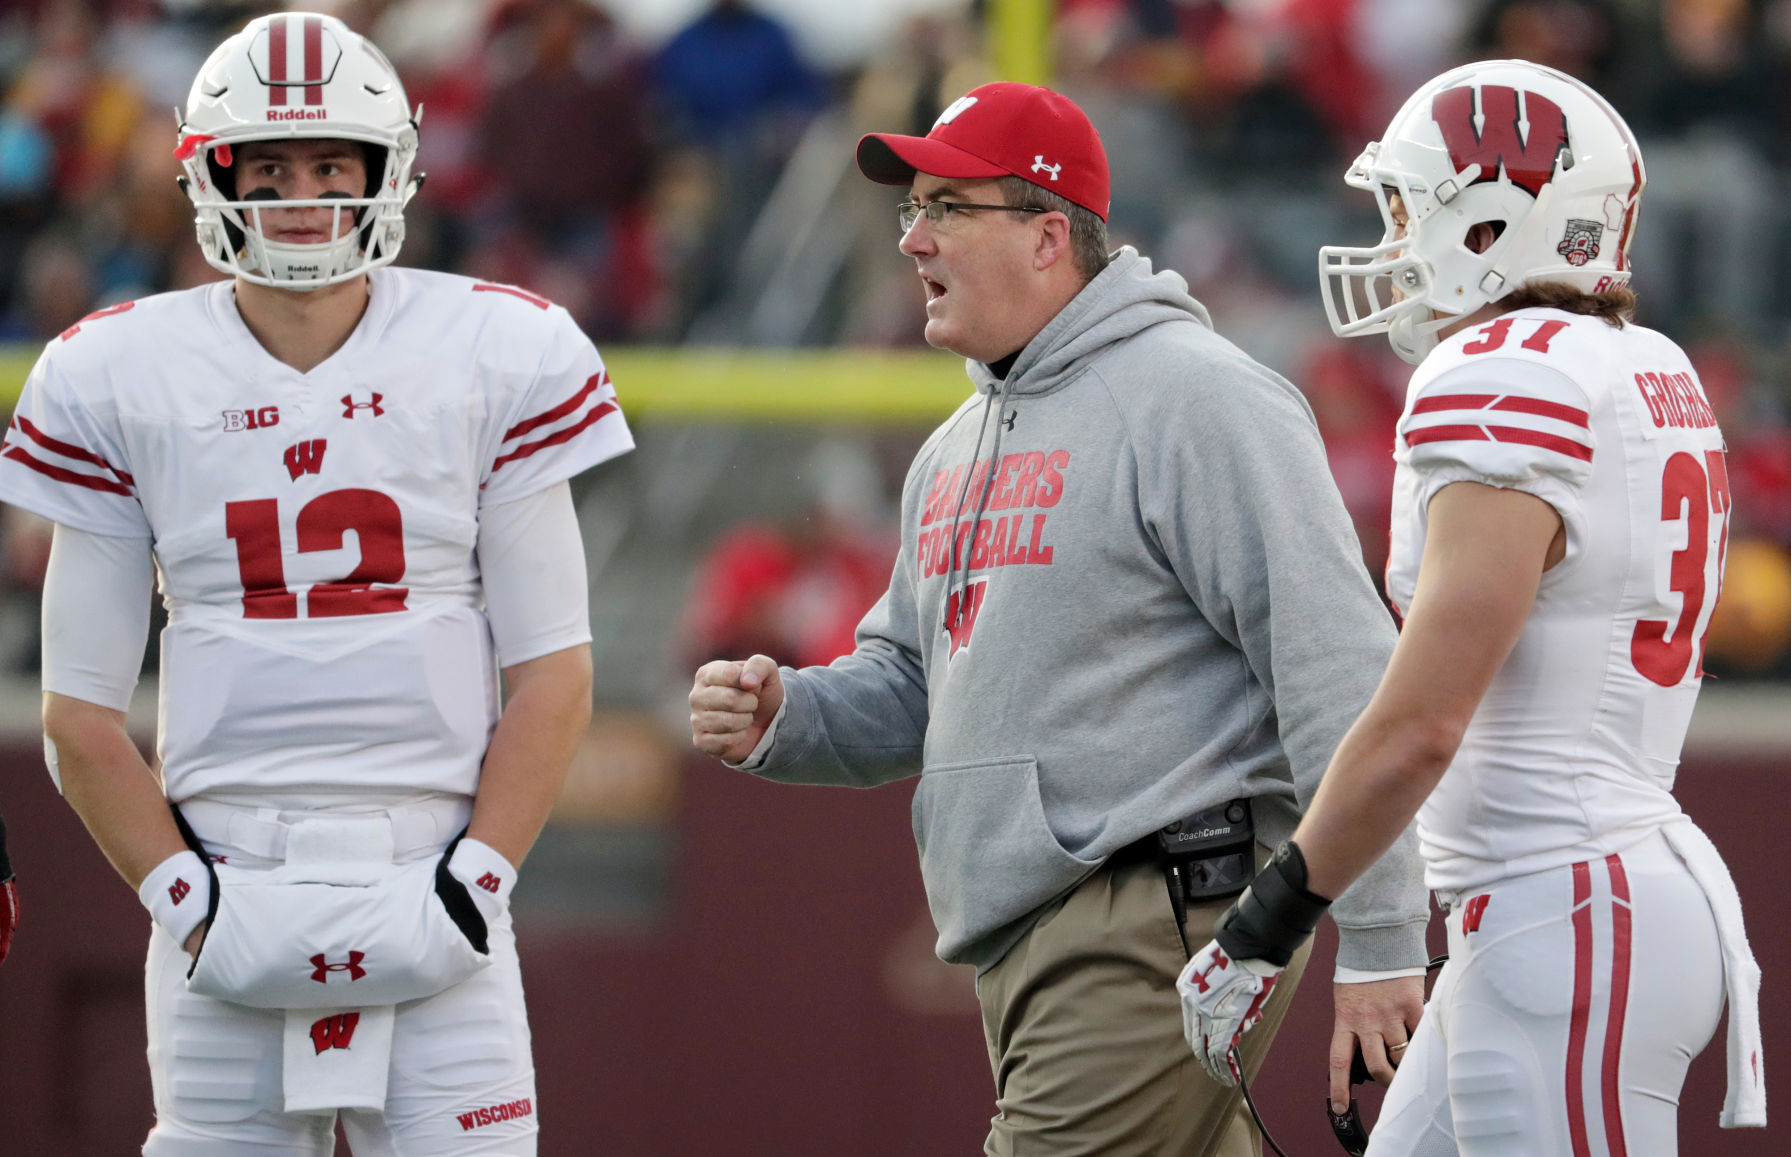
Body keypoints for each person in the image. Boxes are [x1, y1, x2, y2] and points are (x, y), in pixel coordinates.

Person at [689, 81, 1430, 1154]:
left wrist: (1381, 936)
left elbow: (1337, 672)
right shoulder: (952, 443)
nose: (914, 239)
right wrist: (788, 716)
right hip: (1032, 939)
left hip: (1153, 914)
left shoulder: (1198, 396)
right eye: (911, 211)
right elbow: (913, 684)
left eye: (946, 206)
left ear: (1048, 235)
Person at [0, 12, 631, 1155]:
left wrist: (471, 881)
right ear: (211, 173)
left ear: (387, 170)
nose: (301, 192)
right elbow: (77, 714)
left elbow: (556, 673)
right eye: (271, 165)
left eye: (331, 163)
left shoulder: (496, 351)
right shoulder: (115, 373)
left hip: (434, 856)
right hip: (225, 863)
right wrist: (184, 901)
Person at [1182, 58, 1766, 1154]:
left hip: (1572, 913)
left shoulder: (1508, 377)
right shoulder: (1641, 360)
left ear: (1496, 220)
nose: (1394, 242)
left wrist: (1270, 917)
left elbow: (1421, 724)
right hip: (1564, 908)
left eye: (1408, 208)